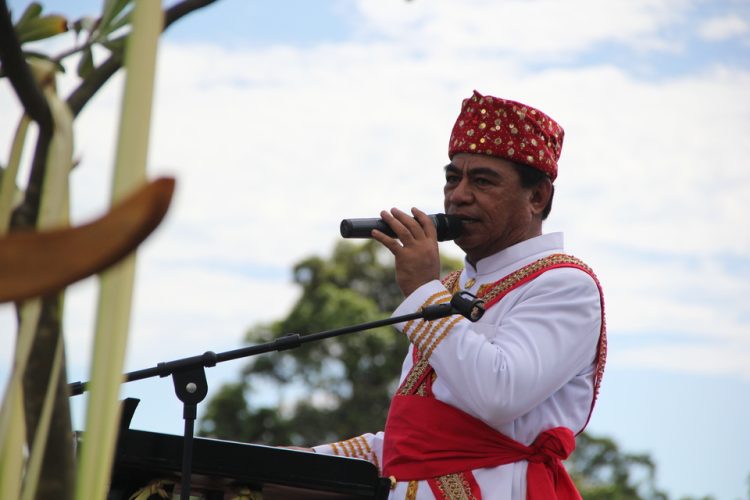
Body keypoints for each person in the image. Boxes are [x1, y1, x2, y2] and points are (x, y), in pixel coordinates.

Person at [312, 90, 606, 500]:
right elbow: (416, 441)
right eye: (453, 178)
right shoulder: (450, 289)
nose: (458, 195)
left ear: (538, 197)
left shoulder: (564, 285)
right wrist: (294, 462)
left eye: (482, 181)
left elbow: (499, 395)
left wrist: (423, 291)